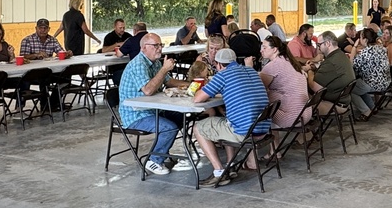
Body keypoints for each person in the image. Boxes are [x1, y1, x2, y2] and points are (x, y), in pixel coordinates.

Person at [192, 47, 271, 186]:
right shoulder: (251, 71)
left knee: (198, 128)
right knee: (226, 121)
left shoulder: (222, 75)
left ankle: (219, 171)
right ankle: (230, 163)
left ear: (219, 64)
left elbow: (197, 98)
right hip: (262, 129)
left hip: (245, 133)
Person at [117, 33, 181, 177]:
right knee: (169, 128)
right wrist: (164, 69)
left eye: (160, 45)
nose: (159, 49)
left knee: (181, 117)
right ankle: (154, 160)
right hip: (135, 114)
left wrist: (193, 84)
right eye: (156, 45)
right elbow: (148, 90)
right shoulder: (139, 64)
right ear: (144, 48)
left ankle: (161, 151)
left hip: (152, 110)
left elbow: (169, 82)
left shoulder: (155, 62)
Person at [259, 36, 311, 131]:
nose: (261, 50)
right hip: (306, 114)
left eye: (264, 47)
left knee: (261, 101)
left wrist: (248, 69)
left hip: (292, 118)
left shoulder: (272, 66)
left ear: (274, 49)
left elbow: (259, 90)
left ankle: (271, 143)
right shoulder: (290, 61)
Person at [307, 31, 355, 113]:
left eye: (319, 45)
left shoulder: (331, 62)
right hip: (343, 100)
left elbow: (314, 87)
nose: (318, 48)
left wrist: (309, 70)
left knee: (298, 99)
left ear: (328, 43)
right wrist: (315, 69)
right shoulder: (341, 55)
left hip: (334, 104)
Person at [349, 27, 390, 119]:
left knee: (349, 89)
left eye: (360, 37)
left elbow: (351, 66)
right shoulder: (382, 49)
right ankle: (372, 107)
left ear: (365, 40)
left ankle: (366, 112)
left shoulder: (365, 53)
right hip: (385, 82)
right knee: (358, 85)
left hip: (374, 84)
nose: (359, 39)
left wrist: (354, 48)